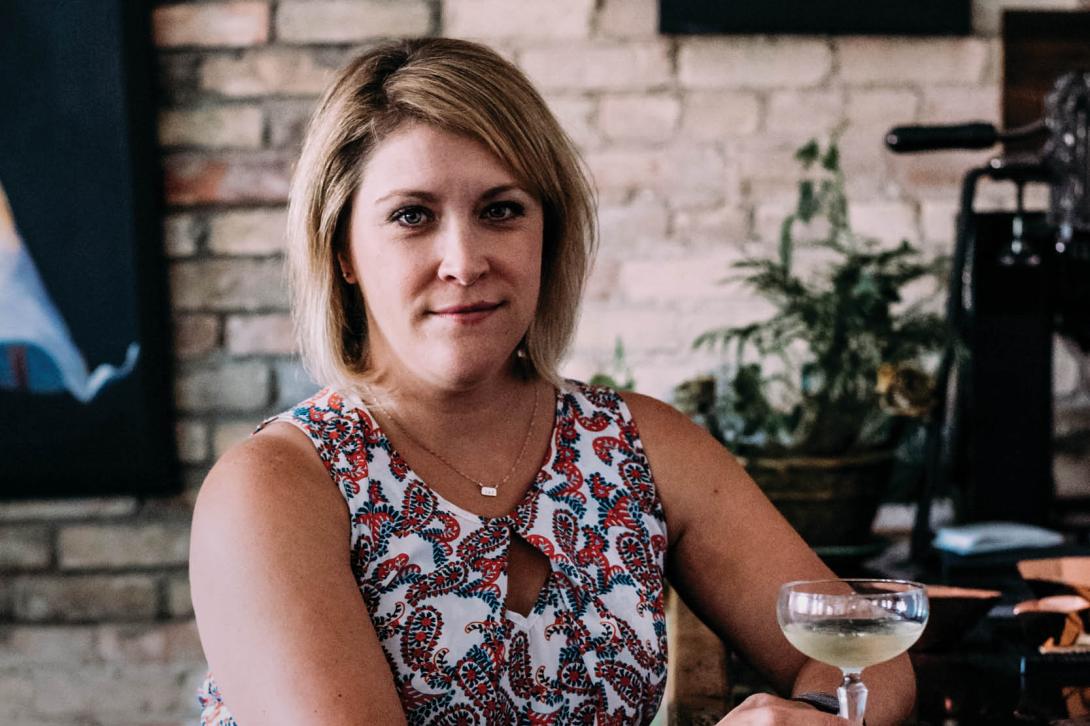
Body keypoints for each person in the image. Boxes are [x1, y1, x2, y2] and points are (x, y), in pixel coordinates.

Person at [189, 37, 916, 725]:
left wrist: (816, 716)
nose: (464, 261)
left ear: (548, 233)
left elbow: (873, 659)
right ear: (342, 248)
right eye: (412, 216)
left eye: (501, 211)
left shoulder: (637, 443)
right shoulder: (278, 487)